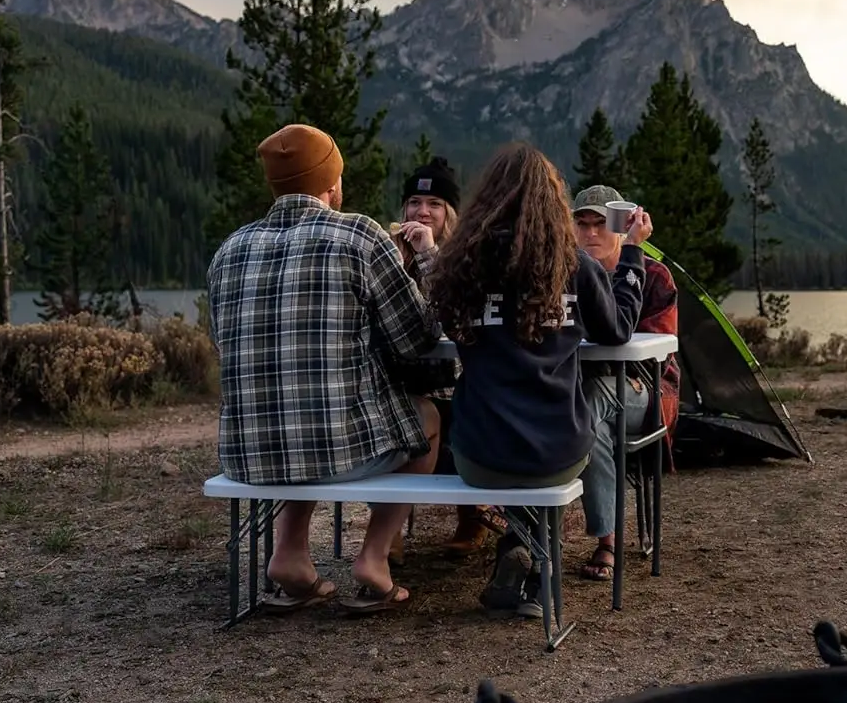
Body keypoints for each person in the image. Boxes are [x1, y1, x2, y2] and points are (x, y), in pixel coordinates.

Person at [207, 123, 442, 615]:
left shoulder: (229, 249)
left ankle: (290, 553)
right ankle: (375, 557)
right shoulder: (359, 234)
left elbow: (223, 344)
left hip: (247, 453)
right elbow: (417, 339)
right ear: (331, 184)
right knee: (428, 420)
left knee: (301, 410)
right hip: (331, 446)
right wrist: (424, 265)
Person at [427, 143, 652, 618]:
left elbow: (436, 330)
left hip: (477, 455)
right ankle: (529, 559)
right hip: (560, 451)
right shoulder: (577, 267)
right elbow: (617, 331)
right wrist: (631, 254)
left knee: (510, 454)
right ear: (554, 204)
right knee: (541, 460)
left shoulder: (460, 268)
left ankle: (520, 556)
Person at [385, 156, 506, 561]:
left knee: (462, 409)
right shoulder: (385, 255)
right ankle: (389, 527)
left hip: (455, 382)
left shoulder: (467, 256)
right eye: (415, 202)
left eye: (434, 203)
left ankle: (472, 516)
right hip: (403, 380)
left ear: (450, 212)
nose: (422, 212)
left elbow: (453, 316)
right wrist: (400, 263)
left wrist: (428, 255)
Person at [570, 184, 681, 581]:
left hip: (647, 389)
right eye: (581, 224)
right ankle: (606, 538)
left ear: (621, 227)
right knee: (592, 413)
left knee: (591, 398)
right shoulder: (566, 273)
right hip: (583, 388)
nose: (590, 234)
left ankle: (593, 536)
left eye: (600, 224)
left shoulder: (653, 276)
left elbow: (658, 353)